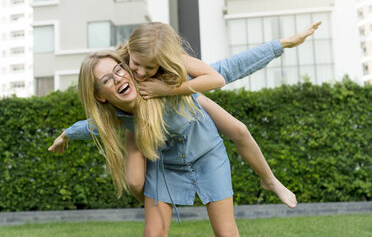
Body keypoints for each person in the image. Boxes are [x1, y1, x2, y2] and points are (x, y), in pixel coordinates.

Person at [48, 21, 320, 236]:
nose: (122, 76)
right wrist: (65, 134)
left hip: (203, 145)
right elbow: (94, 126)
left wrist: (281, 44)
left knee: (239, 133)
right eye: (107, 79)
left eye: (118, 69)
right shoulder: (117, 109)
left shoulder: (163, 75)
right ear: (100, 95)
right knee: (147, 215)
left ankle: (269, 179)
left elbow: (227, 69)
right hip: (165, 166)